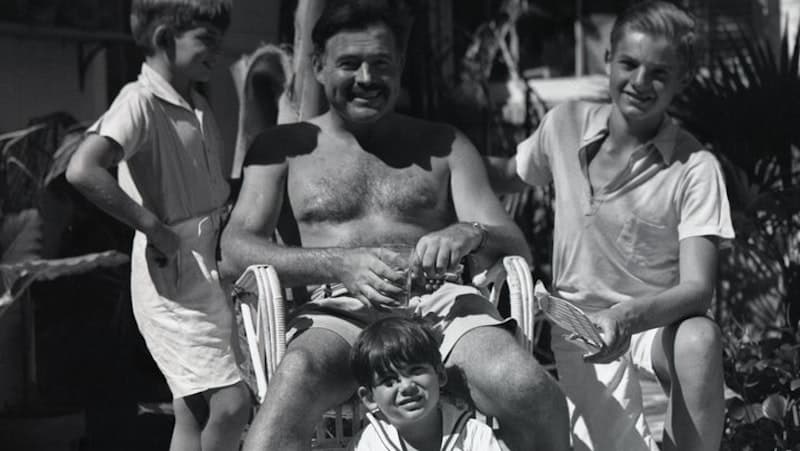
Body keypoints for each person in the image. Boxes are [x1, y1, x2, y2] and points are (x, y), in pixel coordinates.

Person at [220, 2, 570, 450]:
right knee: (284, 404)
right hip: (336, 313)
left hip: (440, 307)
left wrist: (473, 233)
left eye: (381, 64)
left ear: (399, 66)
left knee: (529, 389)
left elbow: (515, 246)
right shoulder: (283, 148)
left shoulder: (444, 144)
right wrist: (337, 266)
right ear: (319, 66)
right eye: (349, 64)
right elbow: (234, 251)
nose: (367, 78)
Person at [487, 2, 733, 450]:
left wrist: (626, 317)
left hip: (653, 323)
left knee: (700, 338)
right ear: (608, 61)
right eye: (629, 64)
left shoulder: (695, 166)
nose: (640, 82)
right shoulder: (564, 123)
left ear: (683, 79)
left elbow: (698, 289)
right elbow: (507, 174)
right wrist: (438, 164)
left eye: (660, 72)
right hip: (579, 324)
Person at [65, 1, 250, 449]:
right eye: (206, 40)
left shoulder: (195, 100)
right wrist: (154, 228)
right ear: (166, 38)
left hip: (207, 262)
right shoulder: (140, 101)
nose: (216, 53)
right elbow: (82, 169)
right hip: (173, 268)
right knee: (231, 404)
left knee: (194, 406)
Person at [348, 317, 503, 451]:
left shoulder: (473, 435)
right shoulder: (368, 444)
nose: (407, 386)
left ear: (440, 375)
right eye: (388, 381)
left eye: (416, 371)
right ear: (369, 397)